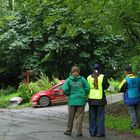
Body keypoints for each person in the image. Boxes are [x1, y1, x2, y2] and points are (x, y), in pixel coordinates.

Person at [62, 66, 90, 136]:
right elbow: (87, 88)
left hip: (72, 101)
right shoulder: (82, 79)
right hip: (81, 100)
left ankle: (68, 131)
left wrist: (69, 94)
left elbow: (65, 89)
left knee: (71, 117)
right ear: (78, 72)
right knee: (79, 117)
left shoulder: (68, 80)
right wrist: (84, 94)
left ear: (71, 72)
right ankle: (79, 132)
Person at [87, 64, 109, 137]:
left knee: (92, 116)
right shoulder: (103, 77)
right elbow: (106, 86)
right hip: (100, 99)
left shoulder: (89, 77)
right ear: (99, 69)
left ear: (92, 69)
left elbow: (87, 88)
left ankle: (92, 132)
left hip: (91, 99)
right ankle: (100, 132)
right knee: (100, 116)